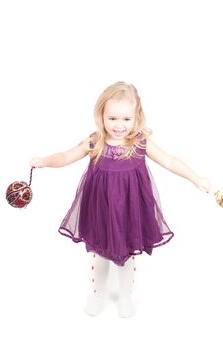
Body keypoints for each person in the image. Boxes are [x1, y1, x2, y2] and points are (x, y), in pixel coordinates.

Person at [30, 81, 211, 318]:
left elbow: (169, 160)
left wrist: (195, 178)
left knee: (127, 256)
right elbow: (66, 156)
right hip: (101, 209)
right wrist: (44, 161)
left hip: (130, 209)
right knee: (101, 255)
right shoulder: (95, 142)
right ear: (101, 115)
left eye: (126, 119)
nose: (119, 125)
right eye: (112, 118)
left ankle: (125, 297)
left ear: (137, 117)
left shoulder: (139, 143)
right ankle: (97, 295)